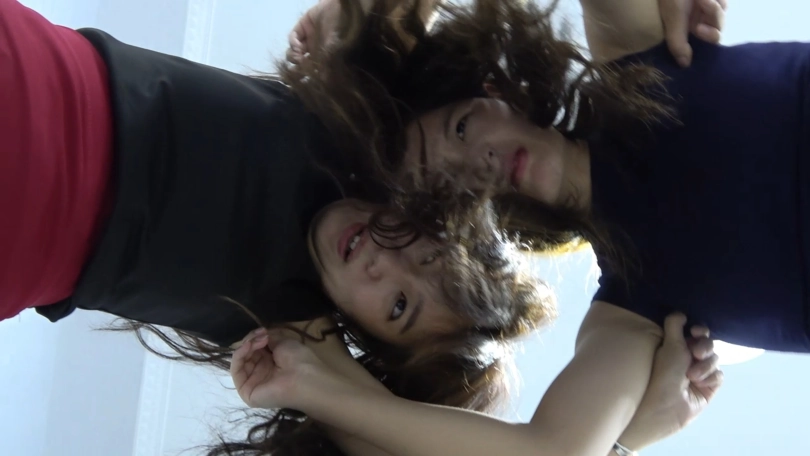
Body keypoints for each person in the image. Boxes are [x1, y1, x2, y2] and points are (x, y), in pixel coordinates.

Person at [0, 1, 549, 454]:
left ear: (372, 339)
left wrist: (331, 396)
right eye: (426, 254)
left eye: (399, 306)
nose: (385, 262)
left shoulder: (300, 327)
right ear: (433, 219)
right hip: (30, 69)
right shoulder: (347, 133)